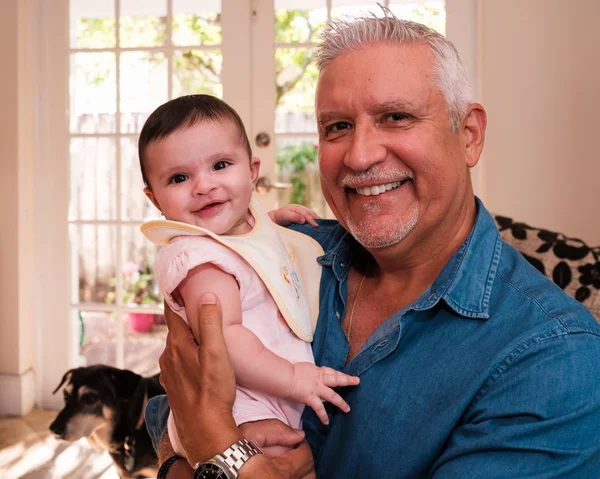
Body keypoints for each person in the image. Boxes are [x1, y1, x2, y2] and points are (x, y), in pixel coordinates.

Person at [147, 11, 600, 479]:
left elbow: (200, 423)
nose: (360, 154)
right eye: (337, 127)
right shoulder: (280, 254)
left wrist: (219, 447)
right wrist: (187, 456)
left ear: (469, 135)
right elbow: (174, 402)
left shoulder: (557, 358)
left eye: (396, 117)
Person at [138, 94, 359, 468]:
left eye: (220, 165)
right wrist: (293, 379)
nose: (204, 186)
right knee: (280, 463)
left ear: (252, 170)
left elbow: (245, 244)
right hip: (242, 409)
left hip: (266, 396)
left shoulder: (239, 224)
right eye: (179, 178)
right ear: (154, 198)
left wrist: (271, 224)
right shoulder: (200, 262)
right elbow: (224, 337)